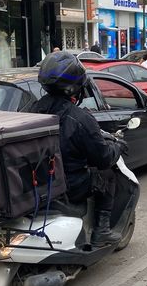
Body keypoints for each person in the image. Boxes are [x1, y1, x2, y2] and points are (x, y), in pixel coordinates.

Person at [30, 51, 125, 246]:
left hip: (38, 181)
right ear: (75, 87)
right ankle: (102, 231)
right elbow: (103, 158)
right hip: (69, 185)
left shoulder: (32, 110)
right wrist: (117, 146)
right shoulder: (80, 118)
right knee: (107, 174)